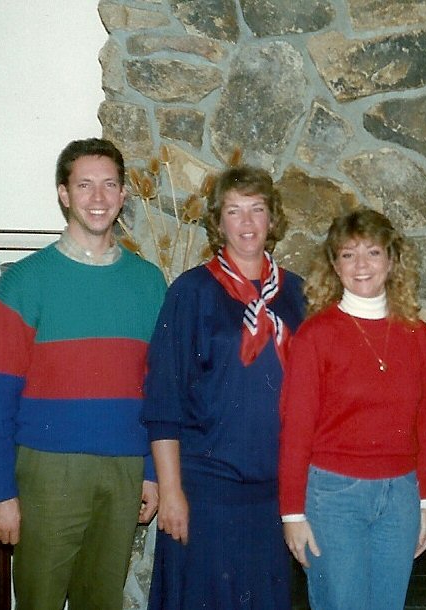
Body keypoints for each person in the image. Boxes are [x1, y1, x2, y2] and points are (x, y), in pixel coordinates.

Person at [0, 137, 167, 610]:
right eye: (84, 185)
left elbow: (157, 390)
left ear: (123, 196)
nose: (97, 198)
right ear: (63, 193)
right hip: (47, 470)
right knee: (38, 601)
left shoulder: (149, 282)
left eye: (109, 185)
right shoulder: (26, 282)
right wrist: (0, 493)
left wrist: (149, 470)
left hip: (122, 469)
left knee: (101, 601)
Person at [142, 165, 305, 609]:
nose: (248, 223)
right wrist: (171, 491)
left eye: (257, 210)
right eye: (235, 211)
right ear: (219, 222)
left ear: (273, 219)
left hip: (276, 495)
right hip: (207, 491)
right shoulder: (191, 292)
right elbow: (163, 401)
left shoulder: (299, 295)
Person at [278, 208, 426, 610]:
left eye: (372, 252)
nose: (361, 265)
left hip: (400, 497)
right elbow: (296, 428)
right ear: (334, 265)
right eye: (348, 255)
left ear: (392, 260)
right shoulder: (316, 335)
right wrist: (292, 514)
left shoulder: (417, 334)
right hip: (334, 498)